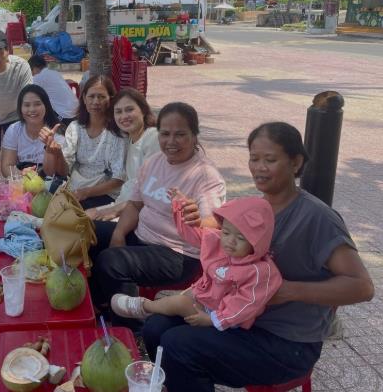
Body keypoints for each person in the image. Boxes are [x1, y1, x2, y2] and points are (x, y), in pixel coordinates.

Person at [141, 122, 374, 392]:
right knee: (156, 327)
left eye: (270, 160)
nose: (259, 168)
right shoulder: (254, 209)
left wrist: (287, 291)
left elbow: (362, 287)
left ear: (296, 163)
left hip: (286, 341)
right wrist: (193, 219)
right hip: (238, 318)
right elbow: (220, 238)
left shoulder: (317, 218)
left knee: (179, 346)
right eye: (254, 158)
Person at [89, 102, 226, 327]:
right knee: (88, 231)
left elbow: (214, 223)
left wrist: (198, 220)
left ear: (194, 135)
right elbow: (135, 205)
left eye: (180, 134)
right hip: (142, 236)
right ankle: (100, 304)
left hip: (178, 254)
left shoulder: (205, 175)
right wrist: (119, 234)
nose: (171, 141)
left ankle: (131, 329)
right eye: (165, 134)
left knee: (112, 261)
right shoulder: (153, 162)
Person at [112, 195, 282, 332]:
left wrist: (213, 320)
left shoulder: (258, 272)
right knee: (183, 297)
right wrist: (180, 207)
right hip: (207, 297)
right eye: (226, 232)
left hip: (225, 318)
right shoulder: (220, 243)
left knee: (181, 303)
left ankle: (144, 307)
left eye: (240, 238)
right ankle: (160, 306)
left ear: (257, 242)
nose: (230, 241)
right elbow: (194, 234)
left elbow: (245, 304)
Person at [46, 75, 126, 210]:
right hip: (77, 190)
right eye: (91, 96)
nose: (96, 101)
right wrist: (57, 154)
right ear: (84, 98)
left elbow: (118, 180)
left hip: (105, 194)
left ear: (111, 99)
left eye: (101, 97)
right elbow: (64, 171)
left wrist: (87, 192)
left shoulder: (117, 133)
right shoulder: (75, 128)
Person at [86, 88, 159, 221]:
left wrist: (110, 211)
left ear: (143, 110)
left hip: (139, 215)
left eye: (129, 110)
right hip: (123, 207)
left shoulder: (153, 138)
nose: (124, 116)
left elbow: (150, 192)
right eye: (118, 112)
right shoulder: (129, 140)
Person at [0, 84, 67, 178]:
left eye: (37, 104)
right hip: (22, 181)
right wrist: (21, 174)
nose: (32, 109)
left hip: (50, 182)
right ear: (20, 108)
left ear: (46, 106)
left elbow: (51, 173)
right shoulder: (13, 130)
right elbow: (7, 167)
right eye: (27, 105)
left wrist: (49, 149)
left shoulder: (57, 132)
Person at [28, 54, 78, 126]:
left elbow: (27, 92)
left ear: (34, 67)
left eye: (31, 70)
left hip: (65, 117)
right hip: (76, 112)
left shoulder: (38, 77)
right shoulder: (54, 72)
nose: (31, 74)